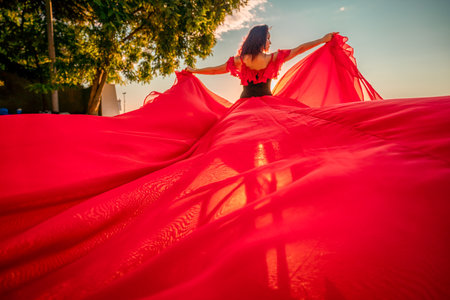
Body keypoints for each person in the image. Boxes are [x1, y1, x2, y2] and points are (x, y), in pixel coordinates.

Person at [185, 24, 338, 99]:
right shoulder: (273, 58)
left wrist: (194, 70)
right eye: (268, 39)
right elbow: (300, 49)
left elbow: (215, 70)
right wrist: (322, 40)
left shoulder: (241, 61)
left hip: (244, 106)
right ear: (261, 40)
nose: (270, 43)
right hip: (267, 105)